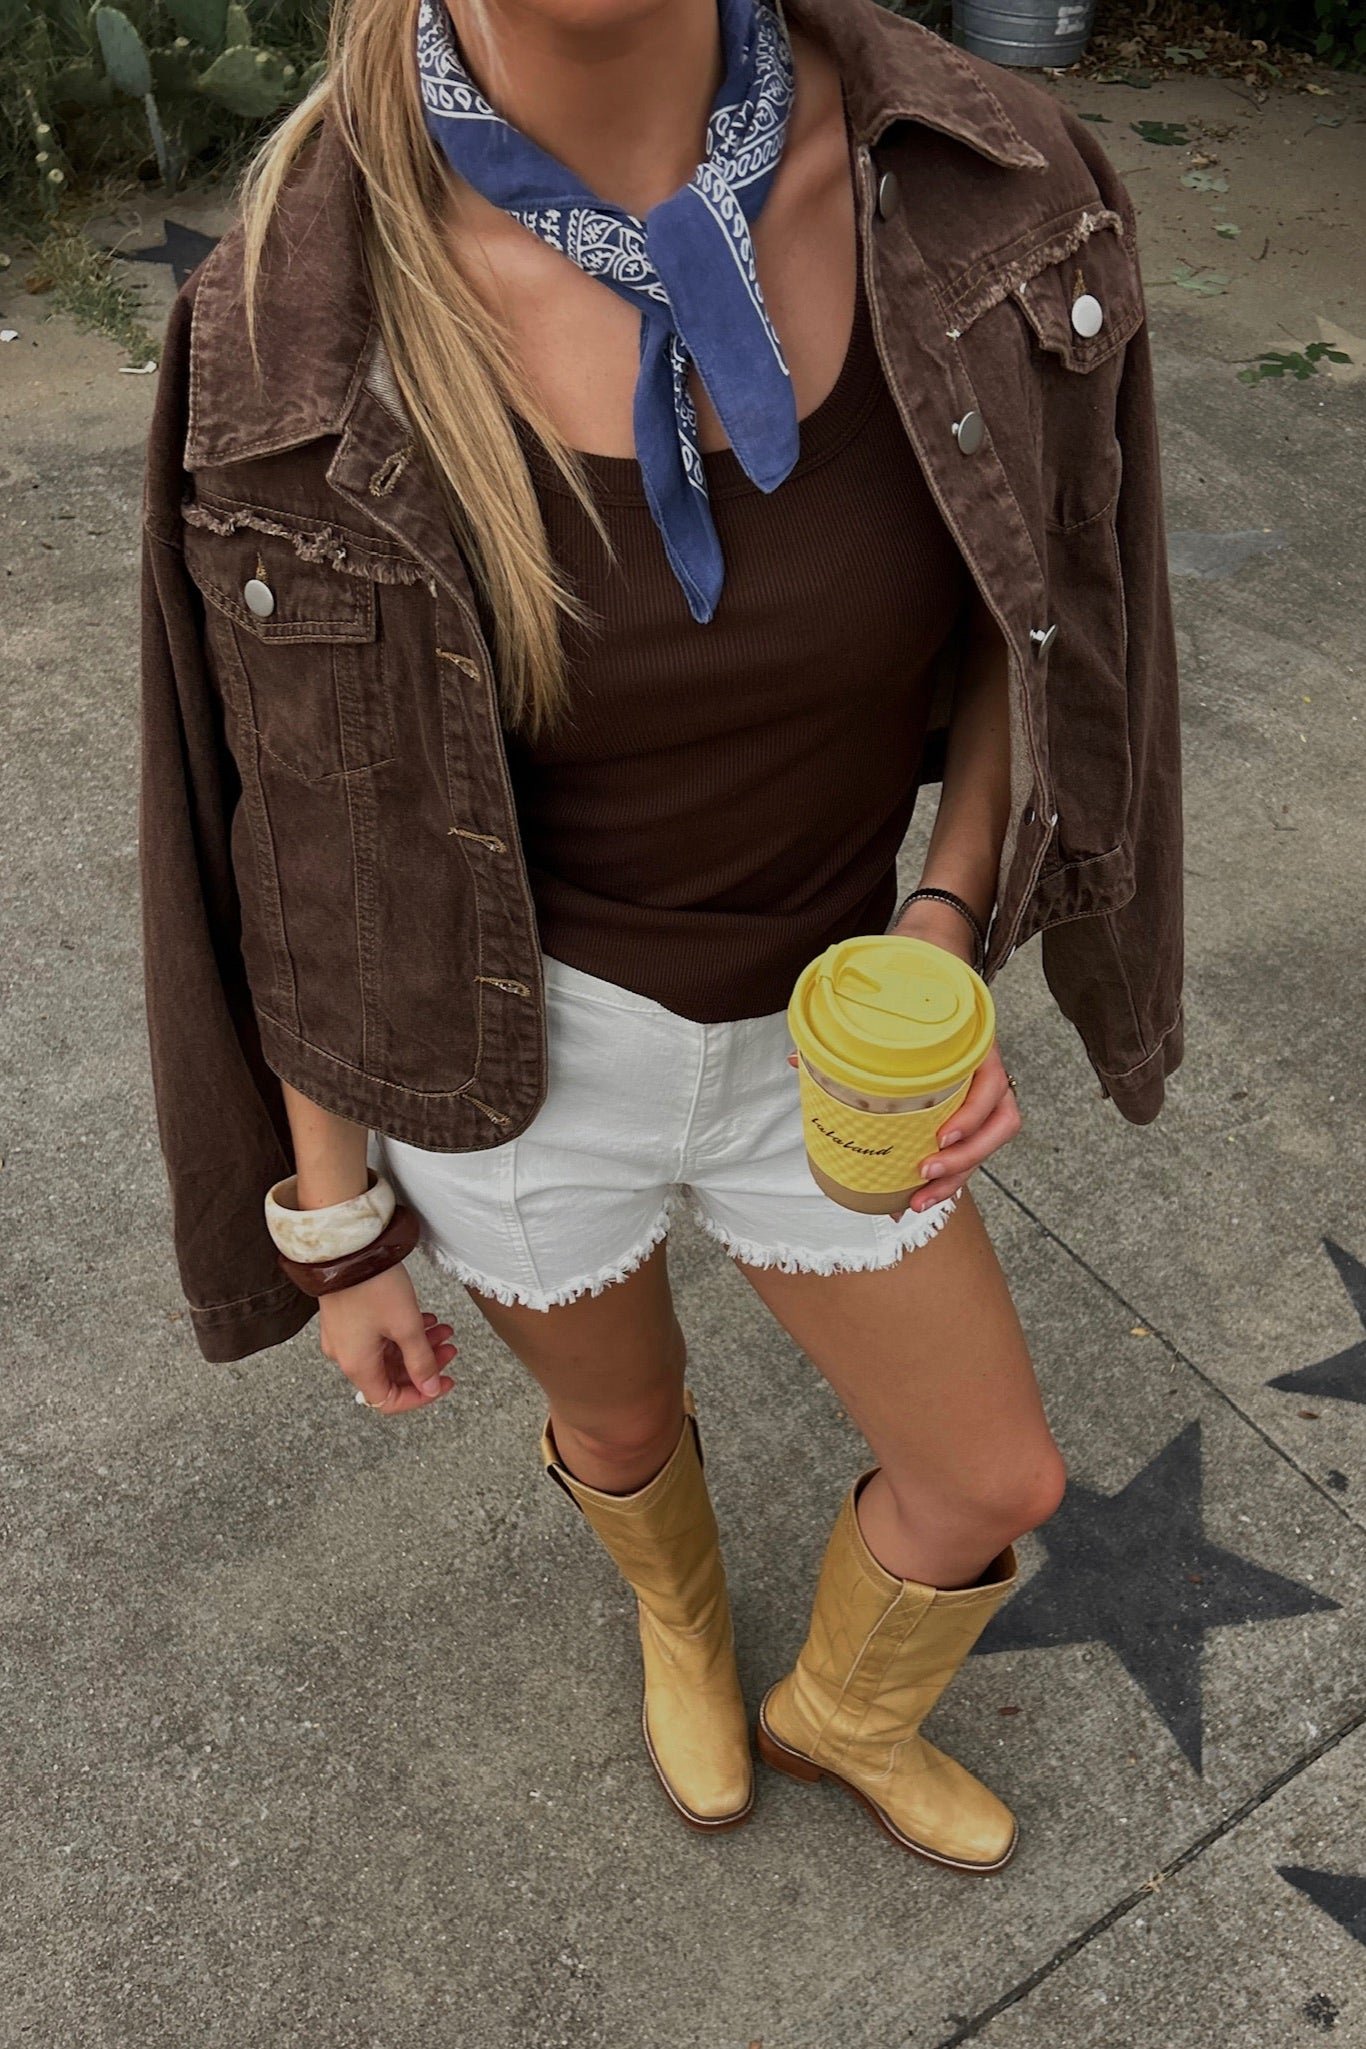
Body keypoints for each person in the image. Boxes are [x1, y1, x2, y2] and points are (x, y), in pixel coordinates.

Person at [138, 0, 1184, 1870]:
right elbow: (300, 837)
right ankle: (681, 1622)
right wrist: (333, 1222)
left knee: (989, 1476)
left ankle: (839, 1709)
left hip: (825, 1026)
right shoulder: (290, 322)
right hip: (510, 1068)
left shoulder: (991, 194)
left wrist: (944, 922)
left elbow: (1035, 620)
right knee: (621, 1431)